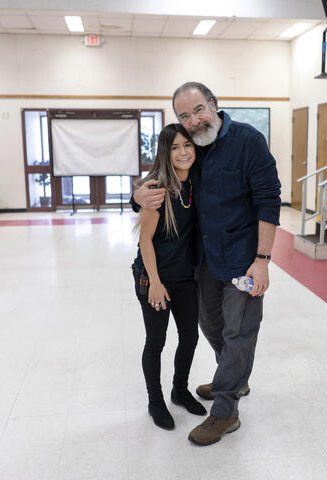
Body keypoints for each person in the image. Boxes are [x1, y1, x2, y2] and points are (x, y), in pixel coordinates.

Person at [133, 82, 281, 445]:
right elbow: (164, 180)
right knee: (211, 325)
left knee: (238, 332)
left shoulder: (248, 141)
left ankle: (226, 410)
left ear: (214, 105)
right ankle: (234, 375)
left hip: (243, 261)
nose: (194, 120)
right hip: (203, 262)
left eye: (198, 109)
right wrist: (135, 196)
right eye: (184, 116)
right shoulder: (193, 148)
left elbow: (268, 201)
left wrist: (262, 260)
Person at [131, 123, 207, 430]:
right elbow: (144, 241)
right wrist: (155, 284)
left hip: (185, 276)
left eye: (187, 145)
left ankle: (179, 390)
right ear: (166, 152)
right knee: (156, 341)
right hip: (154, 277)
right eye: (175, 147)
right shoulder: (157, 190)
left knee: (190, 336)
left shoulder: (196, 183)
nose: (183, 152)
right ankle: (155, 402)